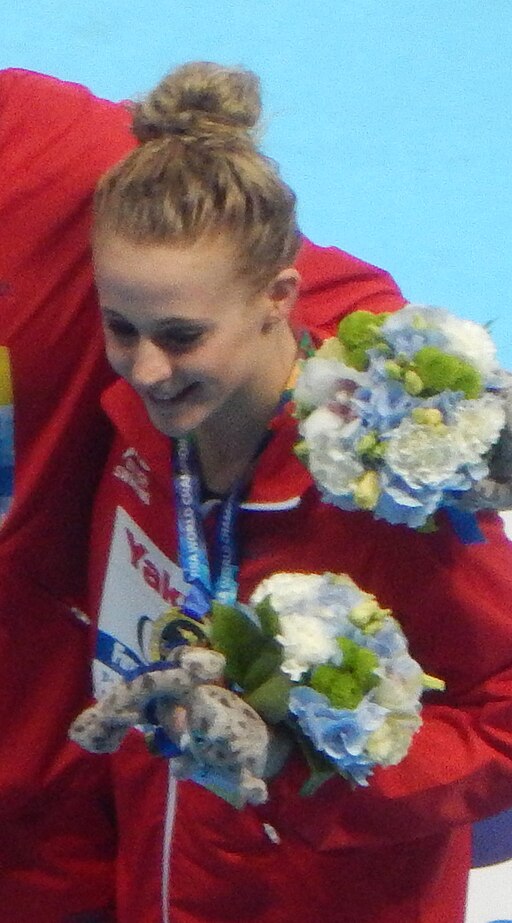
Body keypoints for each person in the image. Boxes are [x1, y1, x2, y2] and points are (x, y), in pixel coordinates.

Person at [87, 61, 512, 923]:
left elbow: (503, 722)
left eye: (181, 336)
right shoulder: (133, 437)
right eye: (120, 328)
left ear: (280, 295)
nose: (146, 368)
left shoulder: (386, 498)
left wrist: (303, 765)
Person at [0, 66, 406, 922]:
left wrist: (421, 406)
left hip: (48, 813)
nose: (146, 361)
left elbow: (258, 278)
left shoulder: (43, 154)